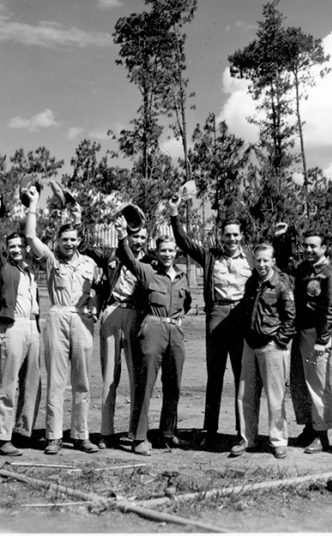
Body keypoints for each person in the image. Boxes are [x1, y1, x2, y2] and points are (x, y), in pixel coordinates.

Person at [168, 197, 256, 448]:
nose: (231, 239)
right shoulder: (209, 256)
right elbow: (183, 241)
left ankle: (243, 432)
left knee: (242, 375)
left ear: (241, 236)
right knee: (214, 375)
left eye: (235, 235)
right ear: (221, 236)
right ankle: (211, 431)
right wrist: (174, 214)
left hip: (242, 317)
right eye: (227, 235)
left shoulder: (250, 257)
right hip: (216, 315)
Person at [24, 186, 99, 455]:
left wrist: (95, 308)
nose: (69, 243)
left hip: (82, 320)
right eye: (65, 239)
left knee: (82, 381)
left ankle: (81, 435)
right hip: (57, 317)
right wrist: (33, 204)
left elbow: (100, 291)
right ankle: (53, 436)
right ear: (58, 241)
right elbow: (30, 236)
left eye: (73, 239)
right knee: (56, 380)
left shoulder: (90, 262)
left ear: (79, 240)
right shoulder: (51, 259)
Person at [114, 215, 192, 453]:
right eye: (163, 251)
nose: (167, 254)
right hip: (153, 330)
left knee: (173, 385)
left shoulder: (182, 277)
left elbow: (186, 303)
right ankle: (139, 438)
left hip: (175, 331)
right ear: (156, 253)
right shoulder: (148, 271)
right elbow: (127, 258)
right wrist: (121, 236)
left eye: (171, 250)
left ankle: (167, 434)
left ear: (176, 252)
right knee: (146, 384)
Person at [80, 221, 149, 451]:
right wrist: (79, 220)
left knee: (136, 378)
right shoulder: (113, 256)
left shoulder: (149, 262)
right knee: (109, 377)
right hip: (112, 312)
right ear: (127, 237)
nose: (139, 241)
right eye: (135, 236)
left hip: (136, 317)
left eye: (143, 237)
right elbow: (84, 247)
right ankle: (106, 432)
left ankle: (135, 431)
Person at [273, 226, 332, 454]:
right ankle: (310, 429)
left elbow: (331, 310)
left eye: (314, 246)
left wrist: (323, 339)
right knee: (301, 383)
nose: (309, 249)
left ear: (324, 248)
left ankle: (322, 434)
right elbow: (284, 263)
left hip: (316, 335)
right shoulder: (304, 268)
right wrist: (281, 238)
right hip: (300, 333)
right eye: (307, 245)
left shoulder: (328, 274)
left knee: (318, 385)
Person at [0, 193, 41, 456]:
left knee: (32, 384)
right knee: (8, 385)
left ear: (27, 248)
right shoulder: (3, 267)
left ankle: (21, 432)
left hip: (33, 329)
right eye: (12, 247)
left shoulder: (30, 271)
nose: (15, 250)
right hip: (12, 328)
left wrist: (33, 205)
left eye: (20, 246)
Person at [230, 244, 296, 459]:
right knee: (246, 395)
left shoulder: (281, 284)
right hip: (251, 345)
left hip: (272, 346)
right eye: (258, 260)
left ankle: (278, 441)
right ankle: (247, 438)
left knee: (275, 398)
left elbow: (290, 317)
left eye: (266, 260)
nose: (261, 264)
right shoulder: (251, 282)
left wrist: (279, 341)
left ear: (273, 261)